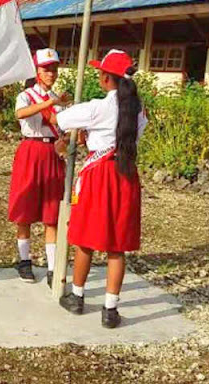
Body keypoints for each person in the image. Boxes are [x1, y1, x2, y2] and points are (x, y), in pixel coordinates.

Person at [52, 49, 147, 329]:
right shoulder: (138, 110)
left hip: (100, 175)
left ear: (107, 78)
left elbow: (61, 119)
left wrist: (60, 106)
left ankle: (78, 296)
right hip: (126, 174)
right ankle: (110, 309)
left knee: (86, 238)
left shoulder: (97, 107)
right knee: (117, 246)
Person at [8, 48, 70, 286]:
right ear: (37, 71)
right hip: (31, 151)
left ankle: (53, 268)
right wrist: (50, 102)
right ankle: (24, 261)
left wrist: (65, 141)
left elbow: (62, 126)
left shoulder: (58, 99)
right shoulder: (27, 95)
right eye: (46, 69)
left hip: (52, 152)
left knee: (51, 212)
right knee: (25, 209)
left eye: (54, 69)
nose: (51, 73)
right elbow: (20, 114)